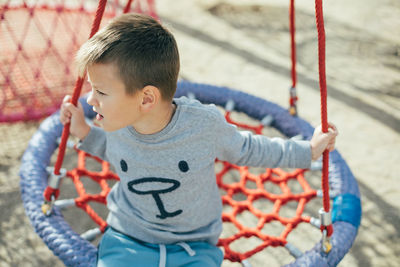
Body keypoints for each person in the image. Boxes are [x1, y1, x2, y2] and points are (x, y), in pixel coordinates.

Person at [60, 13, 338, 267]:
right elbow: (112, 151)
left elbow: (250, 149)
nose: (89, 99)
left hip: (194, 244)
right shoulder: (115, 125)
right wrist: (83, 130)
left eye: (101, 92)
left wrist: (307, 151)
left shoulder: (201, 126)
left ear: (146, 98)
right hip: (128, 235)